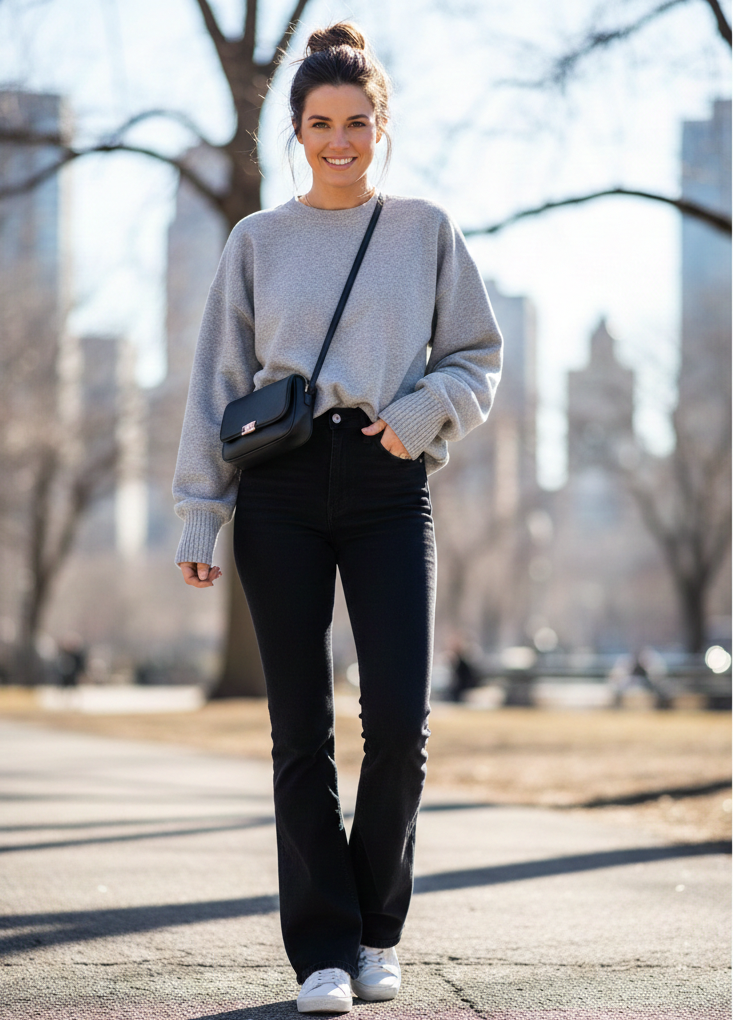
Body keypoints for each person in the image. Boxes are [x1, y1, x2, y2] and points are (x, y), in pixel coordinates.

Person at [172, 21, 503, 1015]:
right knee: (298, 730)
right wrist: (201, 517)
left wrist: (411, 419)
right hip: (276, 489)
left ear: (381, 125)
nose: (340, 142)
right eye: (320, 124)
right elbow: (214, 386)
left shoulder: (423, 232)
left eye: (357, 123)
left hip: (385, 479)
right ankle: (321, 948)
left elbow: (477, 358)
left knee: (398, 719)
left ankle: (374, 931)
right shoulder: (256, 242)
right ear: (296, 130)